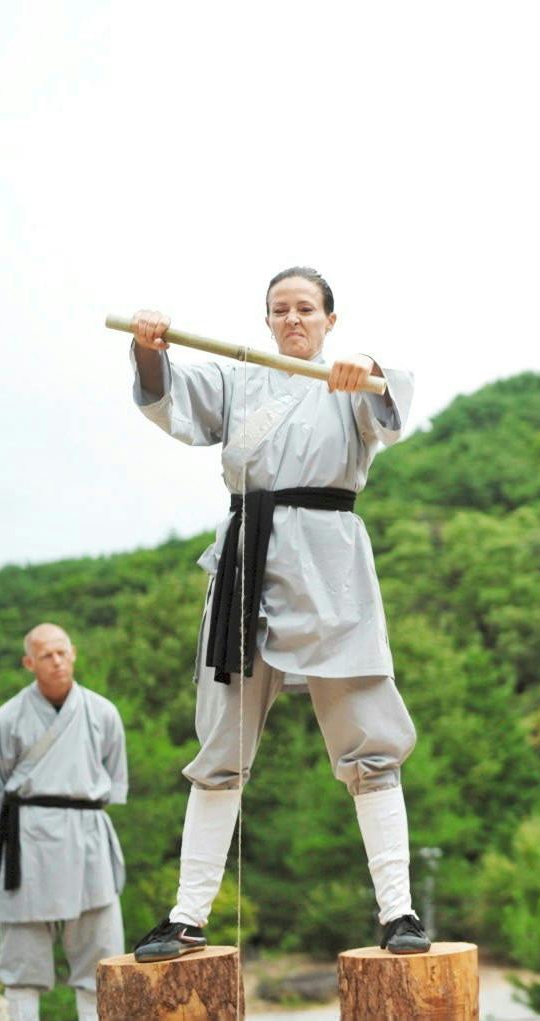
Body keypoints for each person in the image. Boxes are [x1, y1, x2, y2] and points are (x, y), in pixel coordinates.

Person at [125, 266, 428, 961]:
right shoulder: (239, 380)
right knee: (221, 745)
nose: (293, 320)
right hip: (245, 561)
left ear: (329, 319)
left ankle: (399, 912)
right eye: (280, 310)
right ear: (267, 320)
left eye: (306, 310)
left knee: (370, 740)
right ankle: (187, 915)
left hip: (331, 568)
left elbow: (394, 396)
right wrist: (149, 346)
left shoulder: (348, 380)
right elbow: (169, 396)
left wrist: (368, 369)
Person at [0, 624, 126, 1021]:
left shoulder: (102, 712)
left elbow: (114, 776)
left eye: (62, 652)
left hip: (85, 831)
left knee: (96, 943)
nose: (56, 661)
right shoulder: (5, 719)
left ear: (74, 653)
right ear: (29, 662)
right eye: (45, 655)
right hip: (27, 837)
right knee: (23, 948)